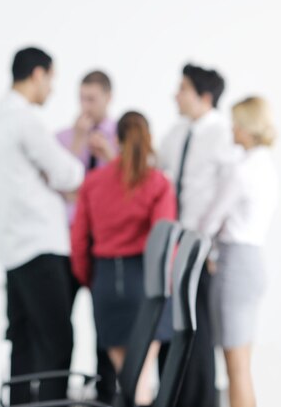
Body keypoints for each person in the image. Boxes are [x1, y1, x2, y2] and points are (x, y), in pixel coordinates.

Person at [0, 47, 84, 404]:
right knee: (58, 341)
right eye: (51, 80)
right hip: (41, 245)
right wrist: (60, 179)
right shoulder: (25, 120)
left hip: (11, 247)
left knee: (21, 340)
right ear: (38, 74)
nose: (51, 89)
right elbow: (69, 173)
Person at [71, 111, 176, 405]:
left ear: (114, 139)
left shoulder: (93, 182)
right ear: (149, 139)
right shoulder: (158, 183)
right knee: (141, 379)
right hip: (146, 282)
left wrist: (88, 279)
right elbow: (163, 244)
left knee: (126, 380)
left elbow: (79, 242)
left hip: (106, 282)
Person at [158, 63, 233, 407]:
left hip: (202, 249)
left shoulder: (223, 135)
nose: (176, 94)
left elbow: (227, 195)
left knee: (198, 330)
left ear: (203, 96)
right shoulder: (176, 133)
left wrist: (209, 247)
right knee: (177, 327)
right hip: (175, 247)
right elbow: (158, 176)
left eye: (183, 89)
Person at [201, 97, 278, 407]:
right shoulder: (265, 165)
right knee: (241, 364)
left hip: (235, 266)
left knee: (236, 367)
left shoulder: (242, 170)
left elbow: (210, 220)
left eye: (236, 123)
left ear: (248, 128)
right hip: (252, 264)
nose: (232, 129)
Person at [56, 70, 118, 403]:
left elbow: (129, 187)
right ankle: (61, 387)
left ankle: (106, 391)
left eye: (92, 99)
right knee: (60, 320)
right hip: (68, 244)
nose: (86, 106)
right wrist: (79, 144)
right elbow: (64, 187)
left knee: (106, 321)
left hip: (106, 246)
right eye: (82, 98)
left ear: (108, 98)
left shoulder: (123, 137)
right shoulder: (65, 138)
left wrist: (109, 155)